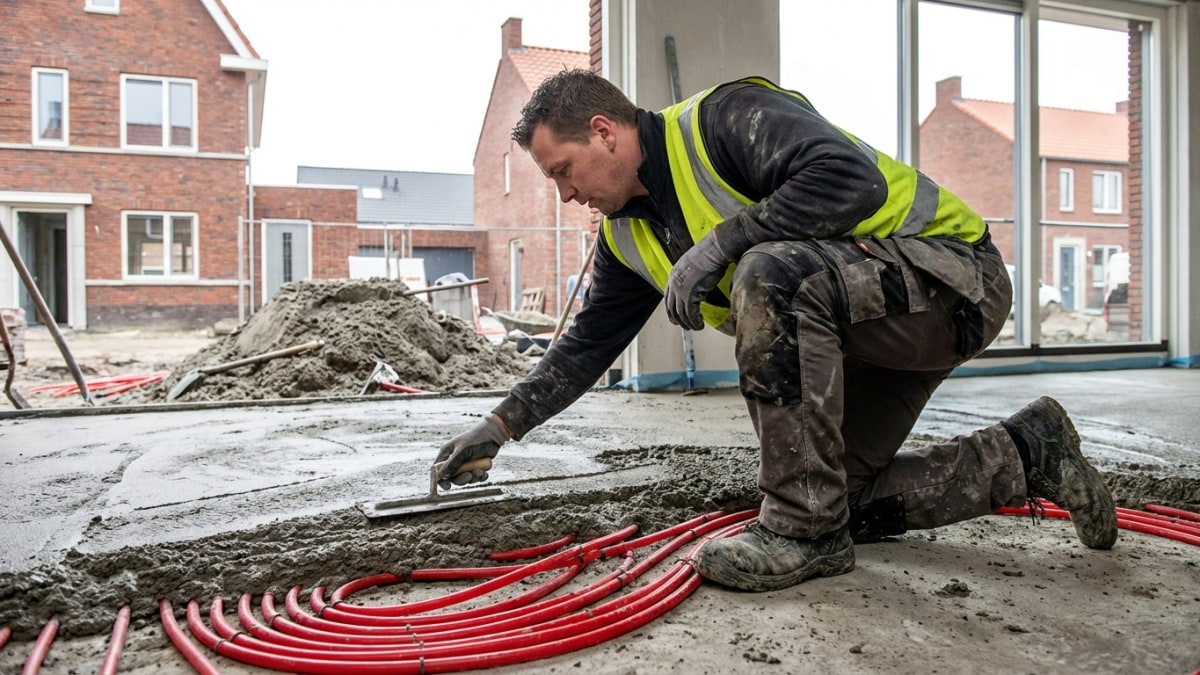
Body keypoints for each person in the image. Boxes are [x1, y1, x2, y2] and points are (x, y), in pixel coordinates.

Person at [433, 69, 1118, 592]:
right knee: (842, 496)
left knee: (769, 272)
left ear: (605, 132)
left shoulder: (722, 119)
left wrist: (724, 241)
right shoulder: (625, 237)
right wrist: (500, 426)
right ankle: (1030, 451)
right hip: (864, 327)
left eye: (563, 172)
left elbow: (853, 181)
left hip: (953, 283)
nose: (565, 194)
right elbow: (583, 346)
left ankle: (802, 531)